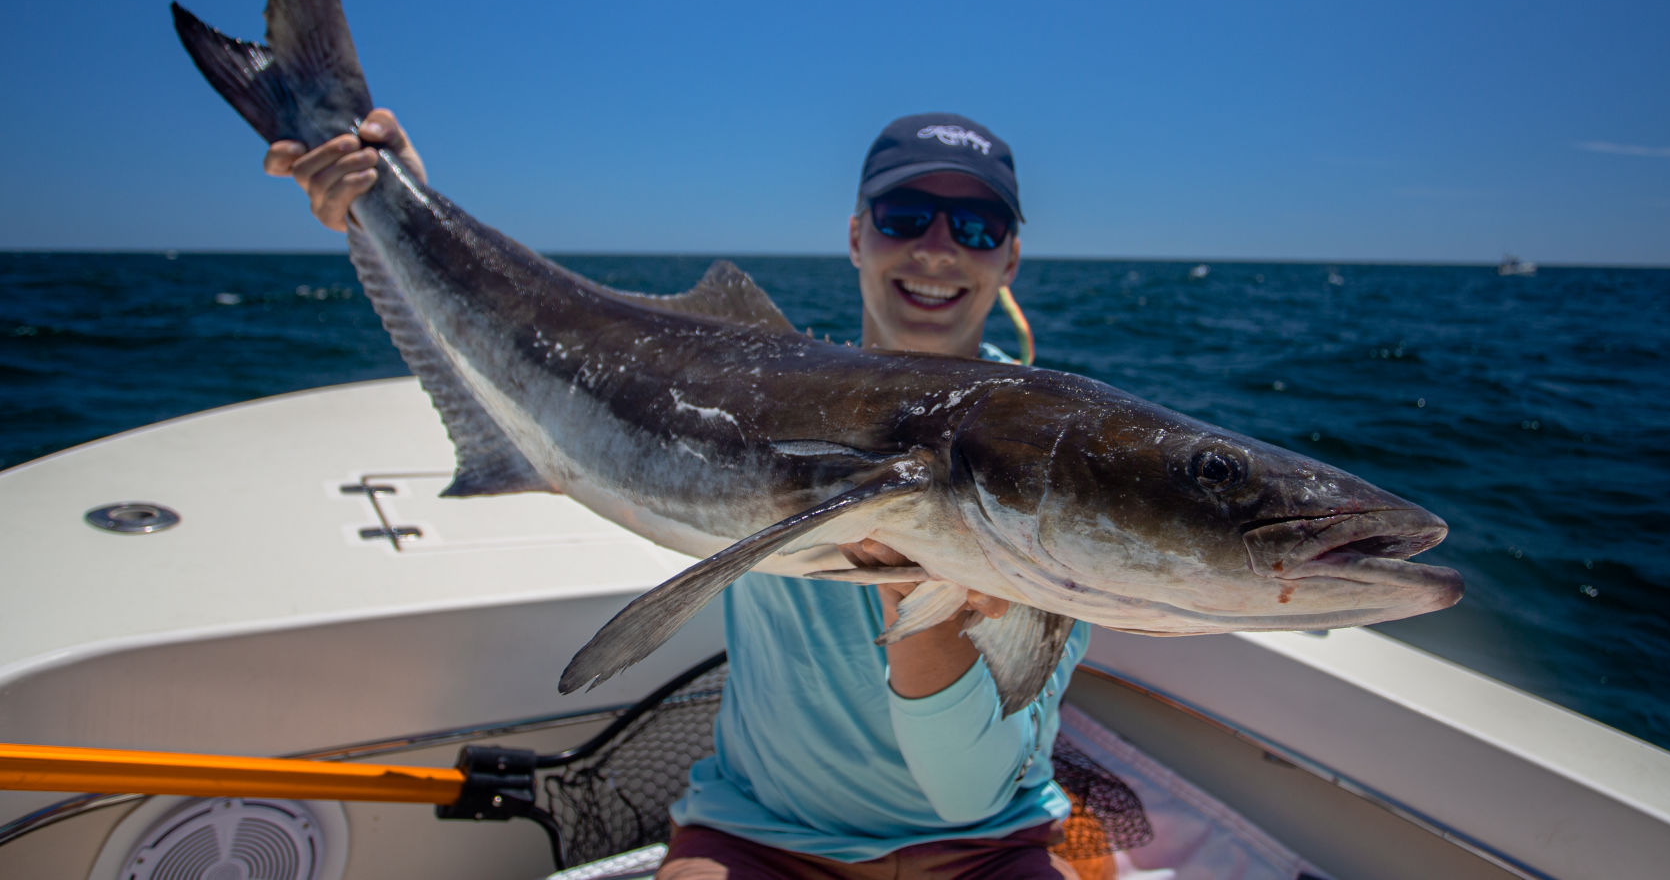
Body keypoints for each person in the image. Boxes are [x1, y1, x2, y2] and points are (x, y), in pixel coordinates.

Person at [267, 110, 1090, 879]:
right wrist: (397, 198)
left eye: (976, 228)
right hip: (761, 832)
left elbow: (967, 793)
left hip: (985, 847)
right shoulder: (755, 381)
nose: (938, 249)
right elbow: (569, 334)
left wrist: (925, 606)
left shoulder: (1066, 461)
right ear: (855, 236)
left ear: (1009, 257)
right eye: (904, 216)